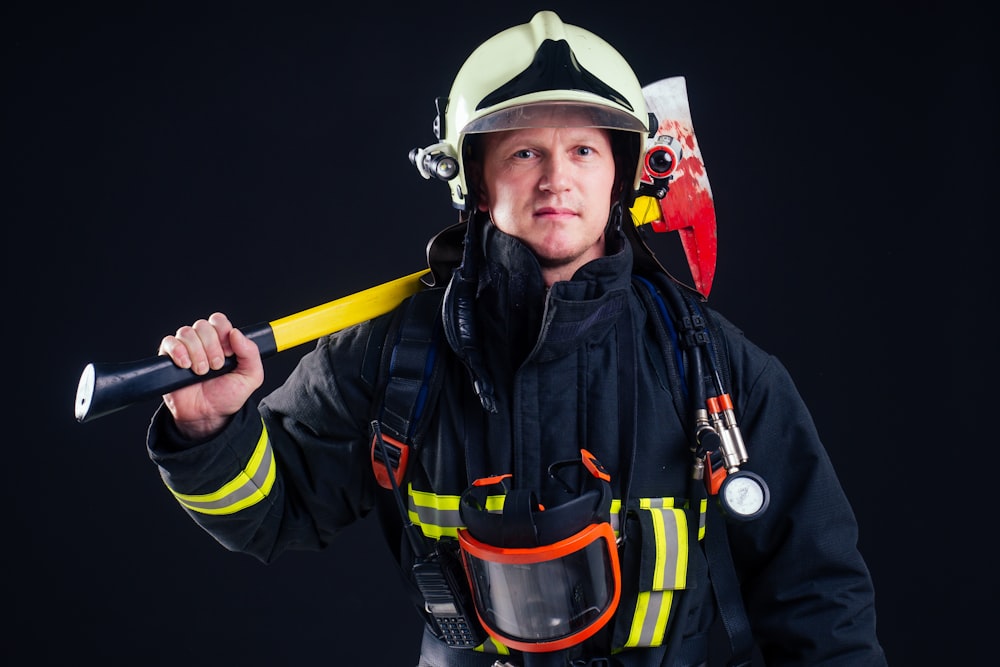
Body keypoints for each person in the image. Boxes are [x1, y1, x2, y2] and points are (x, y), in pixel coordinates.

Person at [148, 10, 887, 667]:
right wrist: (211, 428)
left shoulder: (714, 369)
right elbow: (274, 509)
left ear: (623, 175)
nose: (555, 180)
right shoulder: (392, 354)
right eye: (525, 152)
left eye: (584, 152)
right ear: (475, 180)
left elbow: (818, 601)